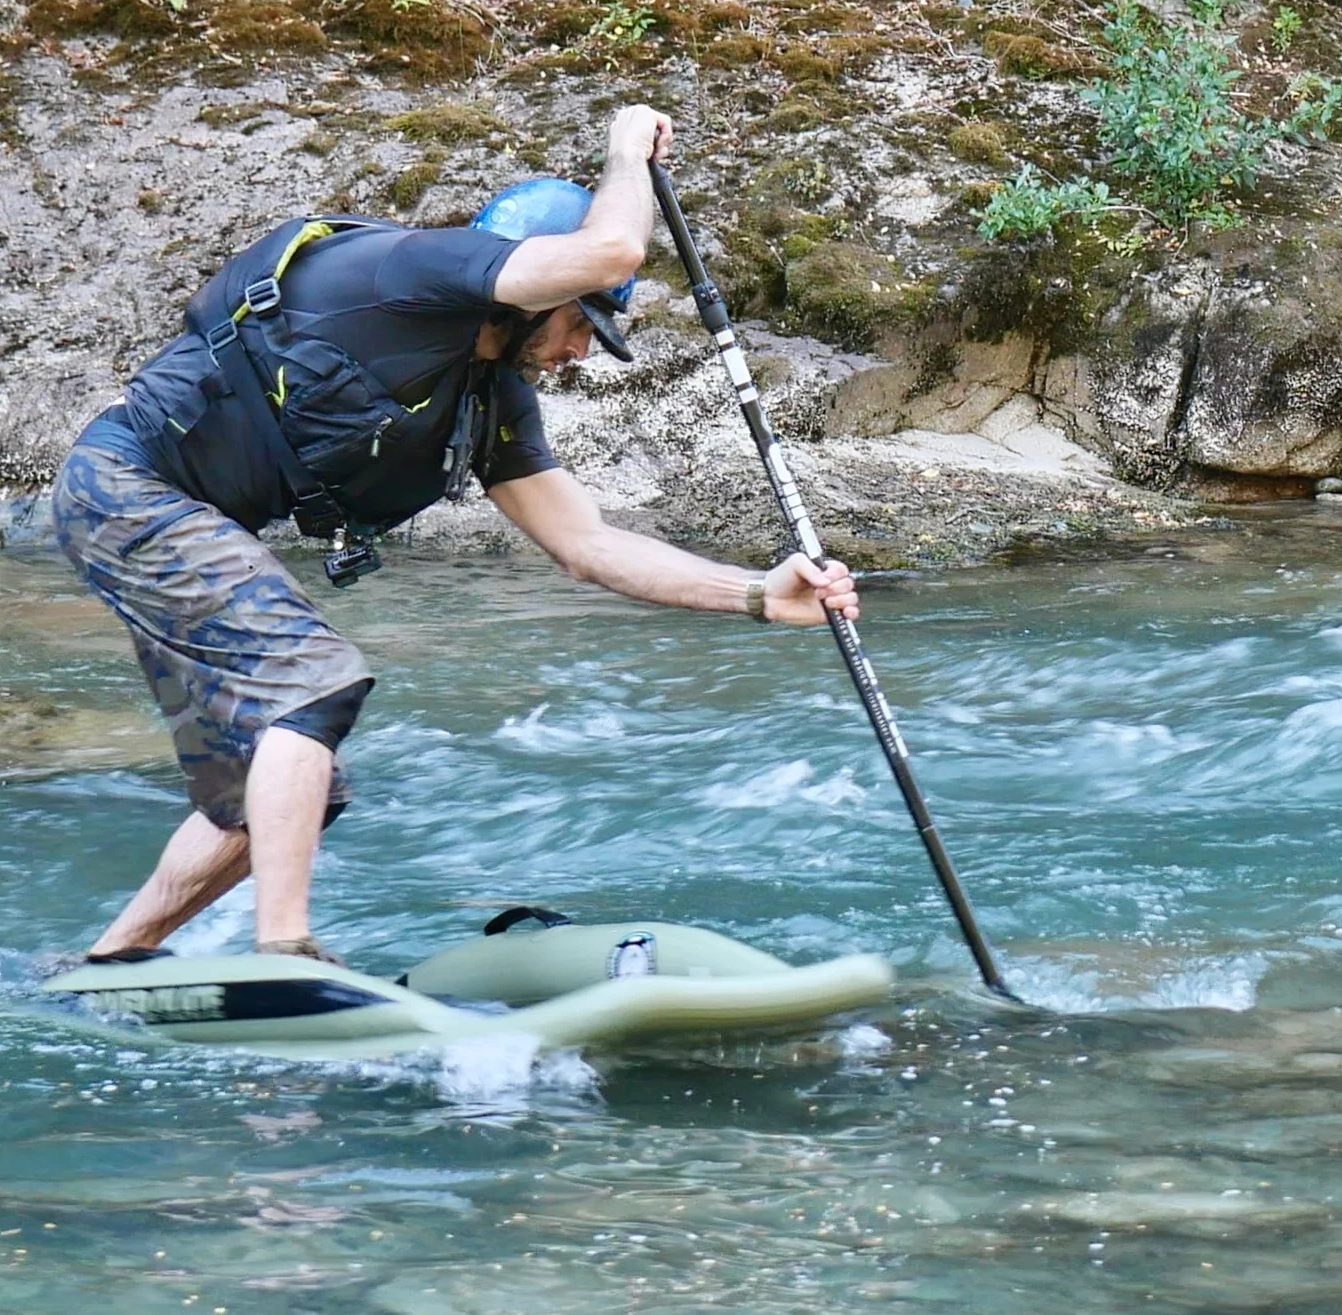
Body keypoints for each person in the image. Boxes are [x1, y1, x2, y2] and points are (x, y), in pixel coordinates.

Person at [51, 105, 858, 966]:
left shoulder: (488, 395)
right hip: (126, 484)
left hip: (183, 518)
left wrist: (755, 594)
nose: (583, 352)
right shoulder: (406, 273)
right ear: (536, 290)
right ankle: (284, 953)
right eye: (582, 323)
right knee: (310, 685)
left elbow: (585, 543)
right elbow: (614, 251)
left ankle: (108, 965)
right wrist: (625, 154)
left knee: (279, 795)